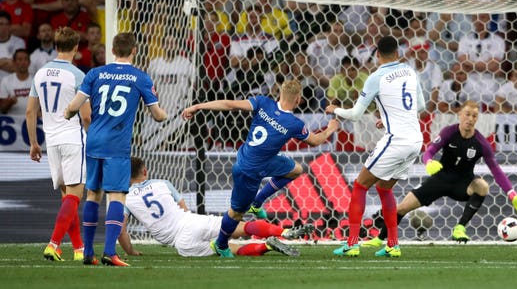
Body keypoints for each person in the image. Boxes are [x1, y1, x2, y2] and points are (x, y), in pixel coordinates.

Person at [181, 79, 340, 258]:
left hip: (264, 159)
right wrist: (331, 128)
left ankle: (257, 203)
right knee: (235, 213)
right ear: (298, 100)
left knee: (296, 169)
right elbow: (316, 141)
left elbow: (229, 104)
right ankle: (221, 244)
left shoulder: (263, 102)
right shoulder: (293, 123)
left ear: (279, 94)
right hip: (248, 171)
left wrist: (199, 106)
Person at [64, 32, 168, 266]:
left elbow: (74, 107)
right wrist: (167, 114)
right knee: (117, 196)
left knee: (92, 194)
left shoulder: (95, 73)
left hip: (93, 141)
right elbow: (157, 115)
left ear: (112, 50)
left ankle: (88, 253)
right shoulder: (140, 77)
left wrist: (67, 113)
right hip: (117, 145)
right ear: (134, 51)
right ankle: (110, 252)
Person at [363, 100, 517, 247]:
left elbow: (496, 171)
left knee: (482, 186)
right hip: (440, 179)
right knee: (401, 208)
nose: (470, 119)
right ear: (459, 115)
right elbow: (429, 151)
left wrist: (512, 194)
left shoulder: (481, 143)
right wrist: (428, 162)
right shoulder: (449, 132)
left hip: (463, 184)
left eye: (474, 116)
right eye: (467, 114)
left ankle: (460, 228)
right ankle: (380, 238)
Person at [327, 36, 424, 258]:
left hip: (397, 140)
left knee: (360, 186)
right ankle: (393, 244)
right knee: (384, 188)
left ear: (377, 55)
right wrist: (388, 117)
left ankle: (352, 244)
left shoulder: (375, 77)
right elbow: (420, 105)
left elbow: (355, 114)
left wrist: (334, 109)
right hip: (415, 141)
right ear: (398, 53)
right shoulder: (410, 71)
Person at [117, 157, 313, 258]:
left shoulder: (125, 198)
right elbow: (183, 206)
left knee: (232, 249)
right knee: (240, 227)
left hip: (182, 240)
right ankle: (284, 231)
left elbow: (121, 229)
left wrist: (130, 251)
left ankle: (268, 245)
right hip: (192, 220)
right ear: (145, 171)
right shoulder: (162, 183)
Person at [25, 27, 91, 262]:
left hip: (51, 141)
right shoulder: (77, 75)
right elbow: (85, 116)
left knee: (67, 199)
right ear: (76, 48)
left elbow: (31, 110)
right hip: (73, 139)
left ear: (55, 45)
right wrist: (92, 139)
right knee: (75, 196)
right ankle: (53, 244)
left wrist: (34, 143)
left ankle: (78, 249)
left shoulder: (40, 73)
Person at [0, 49, 32, 115]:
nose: (23, 62)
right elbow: (2, 108)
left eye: (26, 59)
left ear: (29, 62)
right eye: (20, 59)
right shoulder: (6, 81)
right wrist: (9, 103)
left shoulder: (37, 80)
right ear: (14, 62)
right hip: (13, 122)